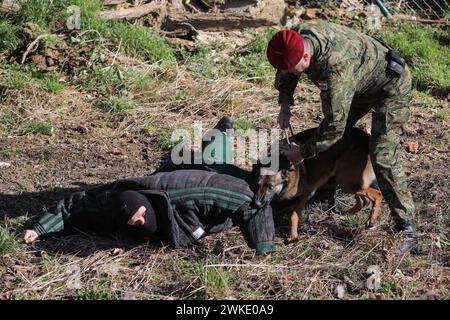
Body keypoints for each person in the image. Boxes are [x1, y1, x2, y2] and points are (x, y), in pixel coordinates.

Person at [266, 20, 418, 254]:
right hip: (360, 82)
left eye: (291, 69)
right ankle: (325, 190)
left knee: (382, 153)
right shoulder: (293, 38)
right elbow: (286, 70)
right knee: (328, 138)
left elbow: (334, 127)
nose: (286, 73)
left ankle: (406, 228)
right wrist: (285, 103)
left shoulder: (335, 68)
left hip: (390, 88)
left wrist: (302, 152)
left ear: (306, 58)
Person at [22, 169, 275, 255]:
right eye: (134, 222)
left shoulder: (193, 193)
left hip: (203, 177)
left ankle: (222, 130)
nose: (140, 222)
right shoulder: (111, 205)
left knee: (215, 159)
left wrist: (263, 245)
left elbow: (248, 200)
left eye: (141, 216)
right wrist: (41, 229)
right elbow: (74, 205)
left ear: (148, 206)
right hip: (180, 193)